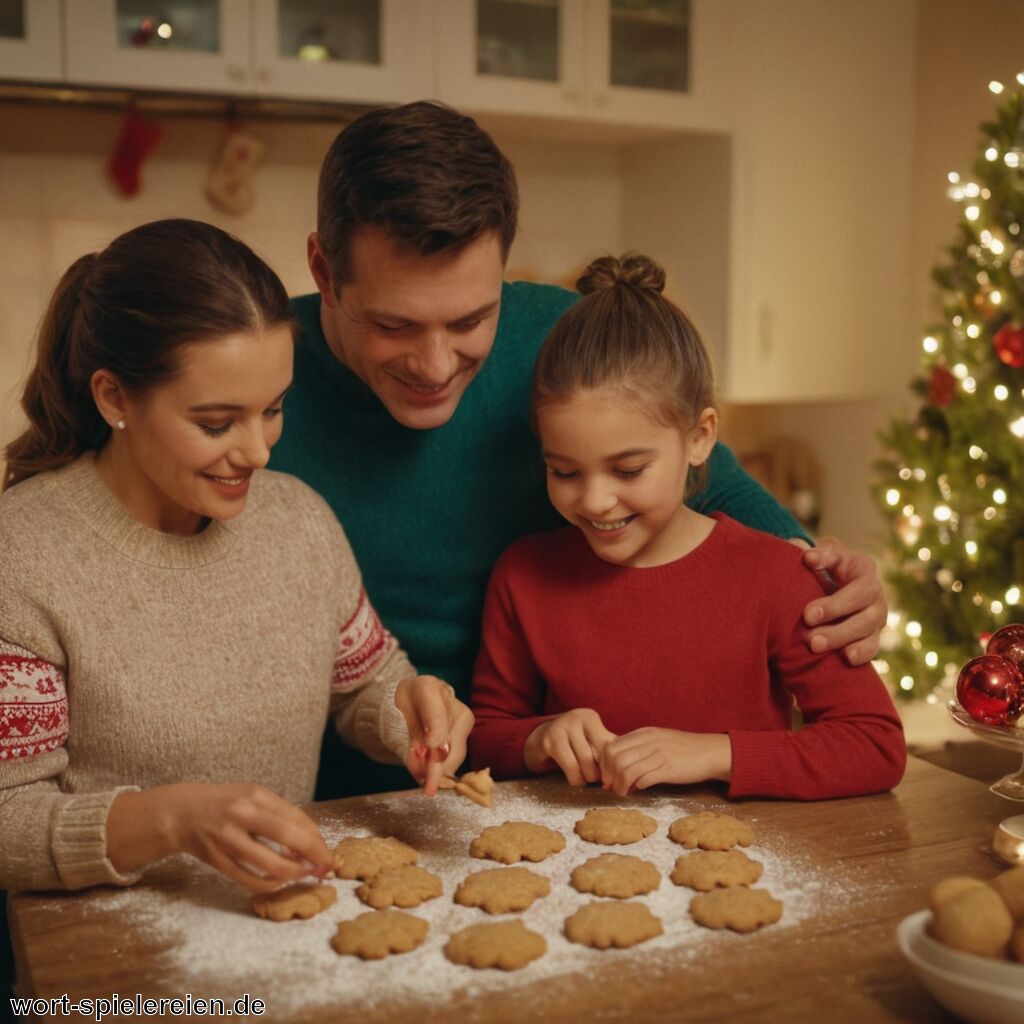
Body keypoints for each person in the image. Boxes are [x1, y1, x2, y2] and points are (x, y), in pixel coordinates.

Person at [267, 100, 888, 797]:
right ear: (323, 270)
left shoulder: (559, 343)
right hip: (329, 793)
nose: (436, 364)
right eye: (394, 325)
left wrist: (821, 585)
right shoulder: (252, 368)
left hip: (524, 793)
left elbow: (711, 480)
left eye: (471, 318)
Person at [0, 219, 472, 895]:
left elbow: (365, 683)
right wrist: (171, 821)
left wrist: (411, 716)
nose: (257, 451)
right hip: (110, 971)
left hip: (282, 927)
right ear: (114, 397)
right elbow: (8, 819)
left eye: (273, 409)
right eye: (217, 423)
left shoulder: (298, 521)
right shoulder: (24, 556)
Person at [469, 254, 906, 800]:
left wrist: (714, 752)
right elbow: (484, 738)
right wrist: (538, 738)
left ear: (700, 437)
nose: (596, 500)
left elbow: (875, 745)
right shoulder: (524, 576)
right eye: (564, 471)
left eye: (629, 470)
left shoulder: (775, 574)